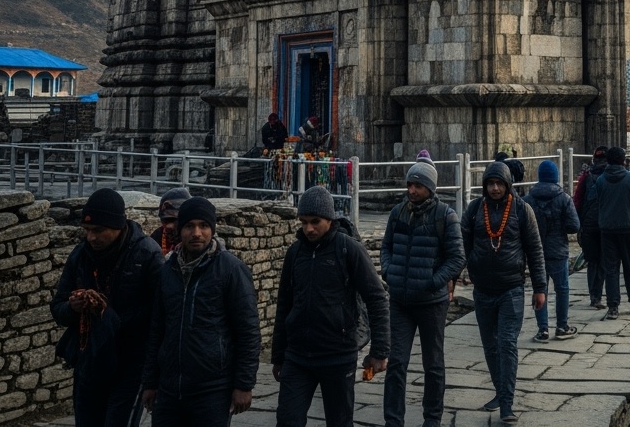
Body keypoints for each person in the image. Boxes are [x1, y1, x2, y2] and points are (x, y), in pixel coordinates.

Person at [272, 187, 388, 427]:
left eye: (315, 222)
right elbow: (284, 303)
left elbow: (377, 298)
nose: (309, 229)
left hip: (337, 355)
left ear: (330, 219)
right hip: (298, 356)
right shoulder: (295, 253)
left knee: (339, 422)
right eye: (303, 222)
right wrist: (278, 356)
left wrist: (380, 351)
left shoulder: (348, 250)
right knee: (287, 420)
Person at [141, 196, 261, 427]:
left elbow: (248, 331)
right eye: (189, 226)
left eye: (204, 226)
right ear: (180, 229)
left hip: (212, 389)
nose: (197, 233)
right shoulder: (168, 270)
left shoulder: (230, 270)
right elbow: (157, 329)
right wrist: (150, 382)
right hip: (169, 388)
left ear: (212, 230)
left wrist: (243, 385)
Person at [51, 188, 163, 427]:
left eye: (98, 230)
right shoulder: (80, 255)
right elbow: (58, 308)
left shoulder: (147, 255)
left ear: (118, 226)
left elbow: (161, 314)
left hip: (131, 362)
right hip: (90, 361)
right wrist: (73, 308)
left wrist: (112, 318)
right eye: (87, 230)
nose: (91, 237)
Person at [380, 159, 466, 427]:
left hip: (431, 303)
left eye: (418, 185)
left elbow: (457, 258)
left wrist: (434, 281)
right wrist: (389, 271)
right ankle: (393, 420)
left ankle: (432, 419)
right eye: (410, 184)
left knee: (433, 364)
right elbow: (386, 248)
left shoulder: (445, 216)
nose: (412, 190)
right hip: (401, 301)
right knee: (396, 363)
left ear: (430, 187)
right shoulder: (398, 213)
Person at [461, 161, 547, 424]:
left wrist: (540, 287)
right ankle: (500, 391)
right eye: (490, 184)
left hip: (512, 289)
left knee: (507, 344)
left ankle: (507, 404)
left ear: (508, 185)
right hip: (483, 289)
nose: (495, 188)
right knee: (490, 346)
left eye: (499, 184)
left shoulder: (522, 210)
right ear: (484, 186)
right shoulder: (475, 210)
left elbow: (535, 249)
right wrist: (455, 277)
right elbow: (461, 246)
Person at [526, 161, 581, 341]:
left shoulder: (528, 200)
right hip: (558, 251)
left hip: (536, 253)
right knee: (562, 289)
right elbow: (574, 225)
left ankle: (543, 330)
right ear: (555, 177)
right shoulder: (564, 198)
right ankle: (561, 326)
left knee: (539, 289)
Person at [594, 146, 630, 318]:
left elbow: (598, 203)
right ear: (623, 161)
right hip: (628, 228)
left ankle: (613, 307)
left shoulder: (601, 180)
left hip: (607, 229)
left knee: (611, 268)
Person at [572, 147, 608, 307]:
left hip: (588, 223)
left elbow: (577, 200)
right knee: (603, 260)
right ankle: (600, 295)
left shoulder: (586, 177)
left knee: (592, 261)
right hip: (606, 224)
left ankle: (594, 295)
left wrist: (579, 223)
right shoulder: (611, 176)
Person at [151, 188, 190, 257]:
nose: (168, 226)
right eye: (165, 220)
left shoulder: (194, 240)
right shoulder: (156, 238)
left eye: (174, 220)